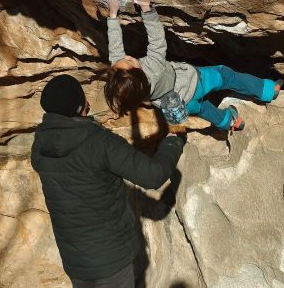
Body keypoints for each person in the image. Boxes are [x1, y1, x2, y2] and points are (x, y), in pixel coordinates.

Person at [31, 74, 186, 287]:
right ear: (80, 107)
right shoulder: (100, 143)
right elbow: (153, 175)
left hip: (75, 261)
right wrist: (173, 143)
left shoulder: (40, 144)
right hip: (111, 260)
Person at [104, 0, 283, 132]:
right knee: (227, 76)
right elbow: (157, 39)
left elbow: (116, 53)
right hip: (195, 82)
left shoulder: (131, 87)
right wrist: (146, 8)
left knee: (204, 108)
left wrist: (113, 16)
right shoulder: (154, 67)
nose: (126, 56)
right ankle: (267, 90)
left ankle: (230, 122)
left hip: (181, 105)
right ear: (136, 71)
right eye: (129, 60)